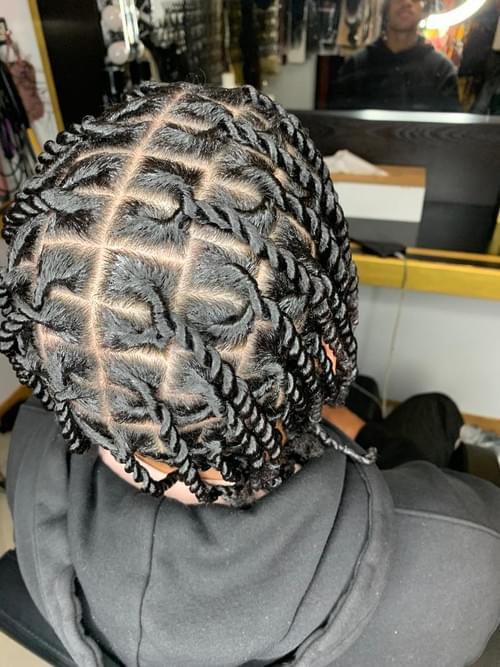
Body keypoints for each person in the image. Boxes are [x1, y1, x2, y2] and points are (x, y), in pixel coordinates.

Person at [1, 82, 499, 666]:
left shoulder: (30, 445)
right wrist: (356, 431)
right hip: (377, 470)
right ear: (326, 350)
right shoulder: (469, 545)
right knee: (435, 411)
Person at [331, 0, 460, 111]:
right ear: (385, 6)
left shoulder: (442, 70)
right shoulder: (355, 66)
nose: (406, 2)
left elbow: (450, 129)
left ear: (423, 9)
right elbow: (338, 125)